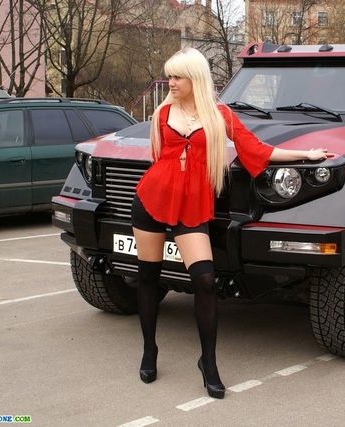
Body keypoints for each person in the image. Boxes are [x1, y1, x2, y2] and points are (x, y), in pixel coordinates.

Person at [130, 48, 330, 399]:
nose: (170, 82)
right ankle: (149, 350)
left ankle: (208, 362)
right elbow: (158, 160)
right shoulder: (162, 112)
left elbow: (257, 149)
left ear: (195, 79)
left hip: (192, 208)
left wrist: (306, 154)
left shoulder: (219, 115)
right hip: (151, 200)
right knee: (148, 277)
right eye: (169, 76)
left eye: (177, 77)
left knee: (206, 281)